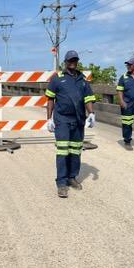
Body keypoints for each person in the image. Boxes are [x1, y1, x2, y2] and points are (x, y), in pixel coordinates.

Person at [45, 50, 96, 198]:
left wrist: (91, 113)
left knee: (75, 150)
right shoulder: (57, 79)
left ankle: (72, 177)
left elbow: (88, 98)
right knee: (62, 150)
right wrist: (49, 119)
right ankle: (61, 182)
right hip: (62, 119)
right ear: (65, 62)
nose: (72, 62)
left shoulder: (82, 79)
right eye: (70, 60)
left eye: (75, 60)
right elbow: (50, 99)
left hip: (78, 120)